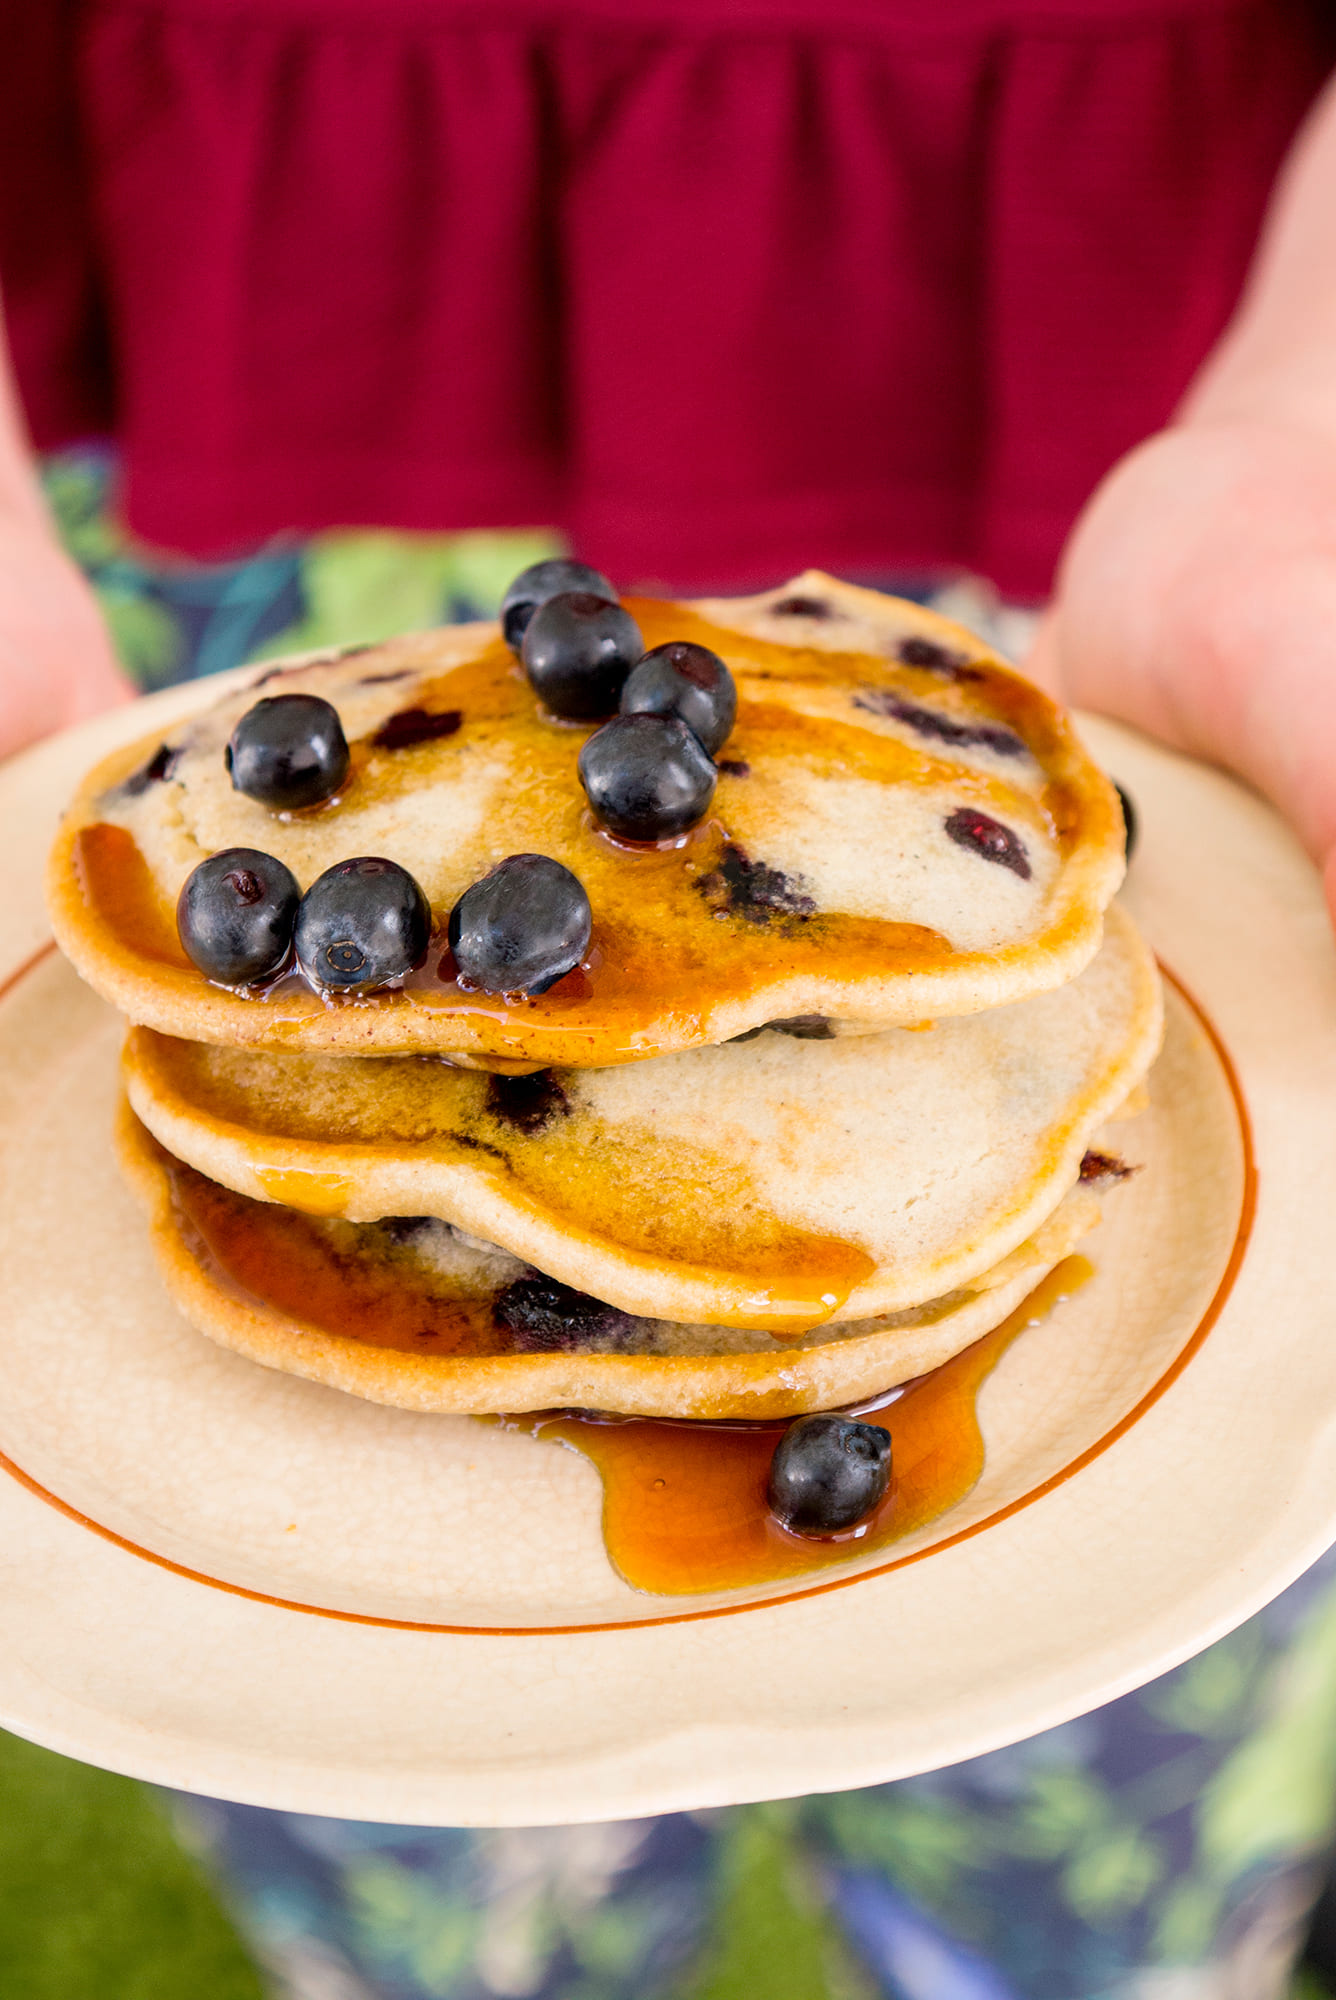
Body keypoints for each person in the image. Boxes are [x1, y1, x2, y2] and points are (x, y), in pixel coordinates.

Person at [4, 3, 1336, 1994]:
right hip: (233, 405)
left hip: (1098, 421)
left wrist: (1298, 441)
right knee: (385, 1782)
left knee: (1095, 1758)